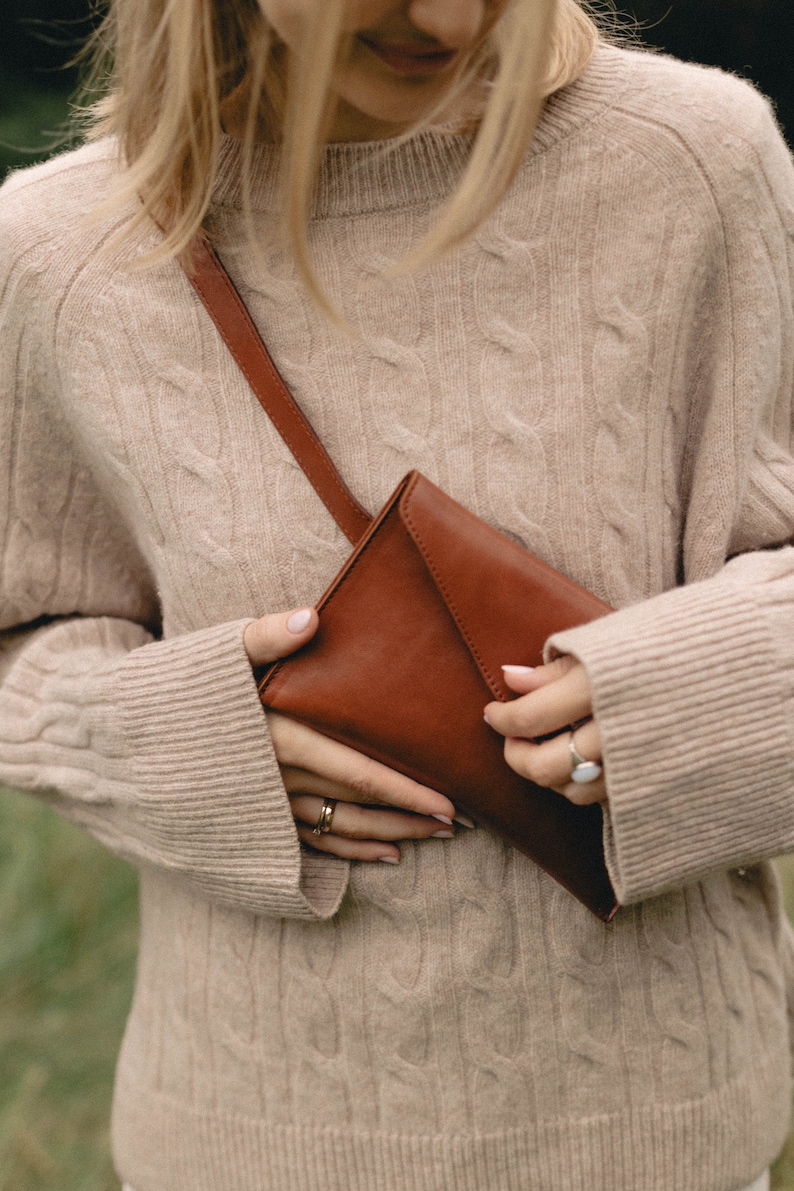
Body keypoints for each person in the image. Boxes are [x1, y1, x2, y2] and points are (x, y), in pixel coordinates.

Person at [0, 0, 792, 1187]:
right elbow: (26, 636)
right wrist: (183, 744)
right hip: (246, 1135)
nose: (452, 16)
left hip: (663, 1126)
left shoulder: (695, 164)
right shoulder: (58, 251)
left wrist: (692, 696)